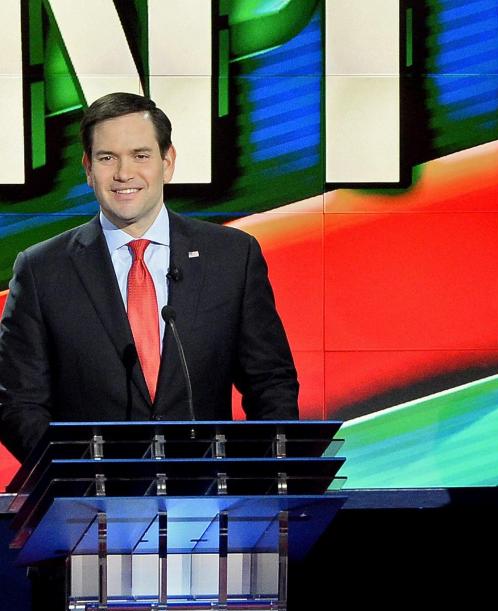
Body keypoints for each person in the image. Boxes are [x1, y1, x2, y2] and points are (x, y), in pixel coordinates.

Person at [0, 93, 299, 462]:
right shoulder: (41, 270)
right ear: (88, 169)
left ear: (167, 162)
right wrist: (69, 475)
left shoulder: (232, 257)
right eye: (107, 158)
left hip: (206, 499)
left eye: (140, 156)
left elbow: (270, 382)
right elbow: (17, 401)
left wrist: (265, 476)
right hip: (89, 508)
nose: (124, 173)